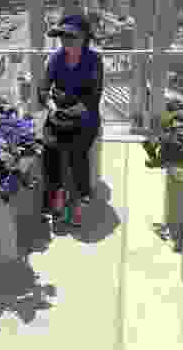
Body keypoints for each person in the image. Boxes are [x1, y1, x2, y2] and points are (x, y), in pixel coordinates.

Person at [38, 14, 104, 227]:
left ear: (84, 37)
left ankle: (80, 198)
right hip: (58, 113)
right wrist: (52, 107)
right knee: (49, 147)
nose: (66, 41)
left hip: (84, 116)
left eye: (71, 36)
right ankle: (55, 196)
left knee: (77, 150)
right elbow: (43, 90)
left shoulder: (94, 60)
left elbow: (93, 97)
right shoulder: (56, 58)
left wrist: (72, 111)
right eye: (62, 36)